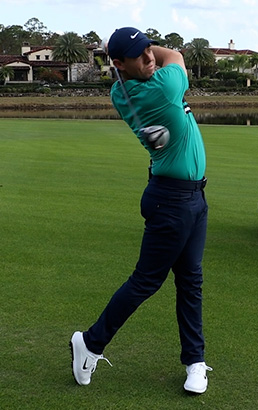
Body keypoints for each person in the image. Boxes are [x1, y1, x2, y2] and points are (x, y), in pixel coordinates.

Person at [70, 27, 211, 394]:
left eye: (150, 49)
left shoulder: (122, 88)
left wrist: (136, 47)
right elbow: (176, 56)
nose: (150, 58)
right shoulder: (161, 88)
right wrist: (153, 48)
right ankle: (90, 343)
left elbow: (158, 59)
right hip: (172, 202)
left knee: (190, 281)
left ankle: (195, 362)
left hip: (190, 197)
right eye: (140, 55)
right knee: (146, 281)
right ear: (119, 64)